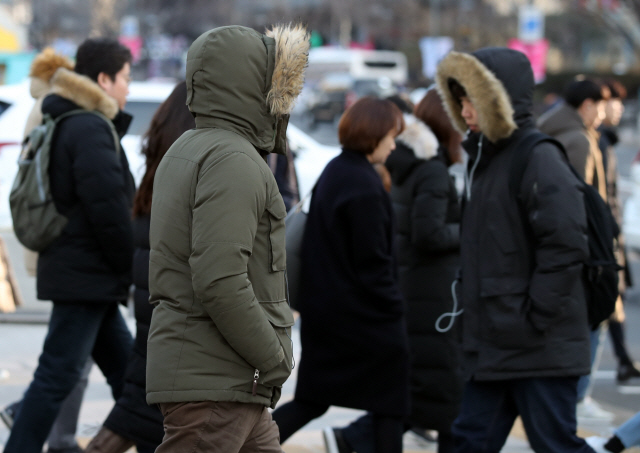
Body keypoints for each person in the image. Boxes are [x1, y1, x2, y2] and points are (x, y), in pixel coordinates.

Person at [145, 24, 309, 452]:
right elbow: (219, 277)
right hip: (217, 381)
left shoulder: (190, 148)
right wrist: (272, 358)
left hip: (226, 380)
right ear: (251, 82)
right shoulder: (233, 159)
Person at [435, 47, 592, 452]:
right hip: (495, 344)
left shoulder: (538, 156)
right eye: (460, 99)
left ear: (497, 98)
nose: (465, 110)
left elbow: (566, 244)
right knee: (467, 443)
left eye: (471, 97)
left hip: (537, 346)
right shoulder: (485, 158)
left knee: (556, 445)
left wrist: (532, 317)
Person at [3, 38, 136, 453]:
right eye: (126, 79)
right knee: (58, 375)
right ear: (103, 79)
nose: (128, 88)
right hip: (87, 274)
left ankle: (160, 443)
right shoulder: (89, 126)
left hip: (85, 274)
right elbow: (107, 208)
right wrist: (129, 265)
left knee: (130, 376)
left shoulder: (73, 121)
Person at [327, 89, 464, 453]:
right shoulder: (432, 170)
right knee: (443, 393)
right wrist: (471, 228)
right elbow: (429, 233)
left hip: (413, 288)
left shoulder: (404, 164)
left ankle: (354, 436)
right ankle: (354, 436)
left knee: (413, 389)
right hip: (432, 296)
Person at [271, 96, 410, 453]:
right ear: (374, 134)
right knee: (390, 407)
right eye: (391, 136)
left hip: (329, 314)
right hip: (364, 321)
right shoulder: (363, 185)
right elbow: (372, 263)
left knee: (314, 400)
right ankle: (244, 445)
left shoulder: (337, 169)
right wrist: (396, 308)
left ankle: (244, 445)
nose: (394, 144)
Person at [84, 81, 195, 453]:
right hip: (173, 306)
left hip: (149, 291)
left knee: (141, 402)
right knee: (148, 410)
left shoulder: (160, 163)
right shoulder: (199, 167)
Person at [0, 47, 94, 453]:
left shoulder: (42, 105)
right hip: (69, 247)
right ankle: (49, 429)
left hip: (57, 245)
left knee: (74, 353)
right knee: (67, 359)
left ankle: (43, 424)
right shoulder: (60, 110)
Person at [538, 79, 613, 421]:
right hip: (587, 252)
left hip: (567, 250)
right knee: (593, 321)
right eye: (600, 104)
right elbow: (581, 205)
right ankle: (577, 399)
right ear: (586, 105)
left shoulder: (554, 132)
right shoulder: (579, 140)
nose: (604, 112)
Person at [598, 79, 640, 384]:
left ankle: (624, 359)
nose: (619, 107)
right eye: (614, 101)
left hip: (611, 231)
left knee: (614, 303)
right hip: (604, 235)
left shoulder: (603, 139)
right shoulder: (591, 140)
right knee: (608, 304)